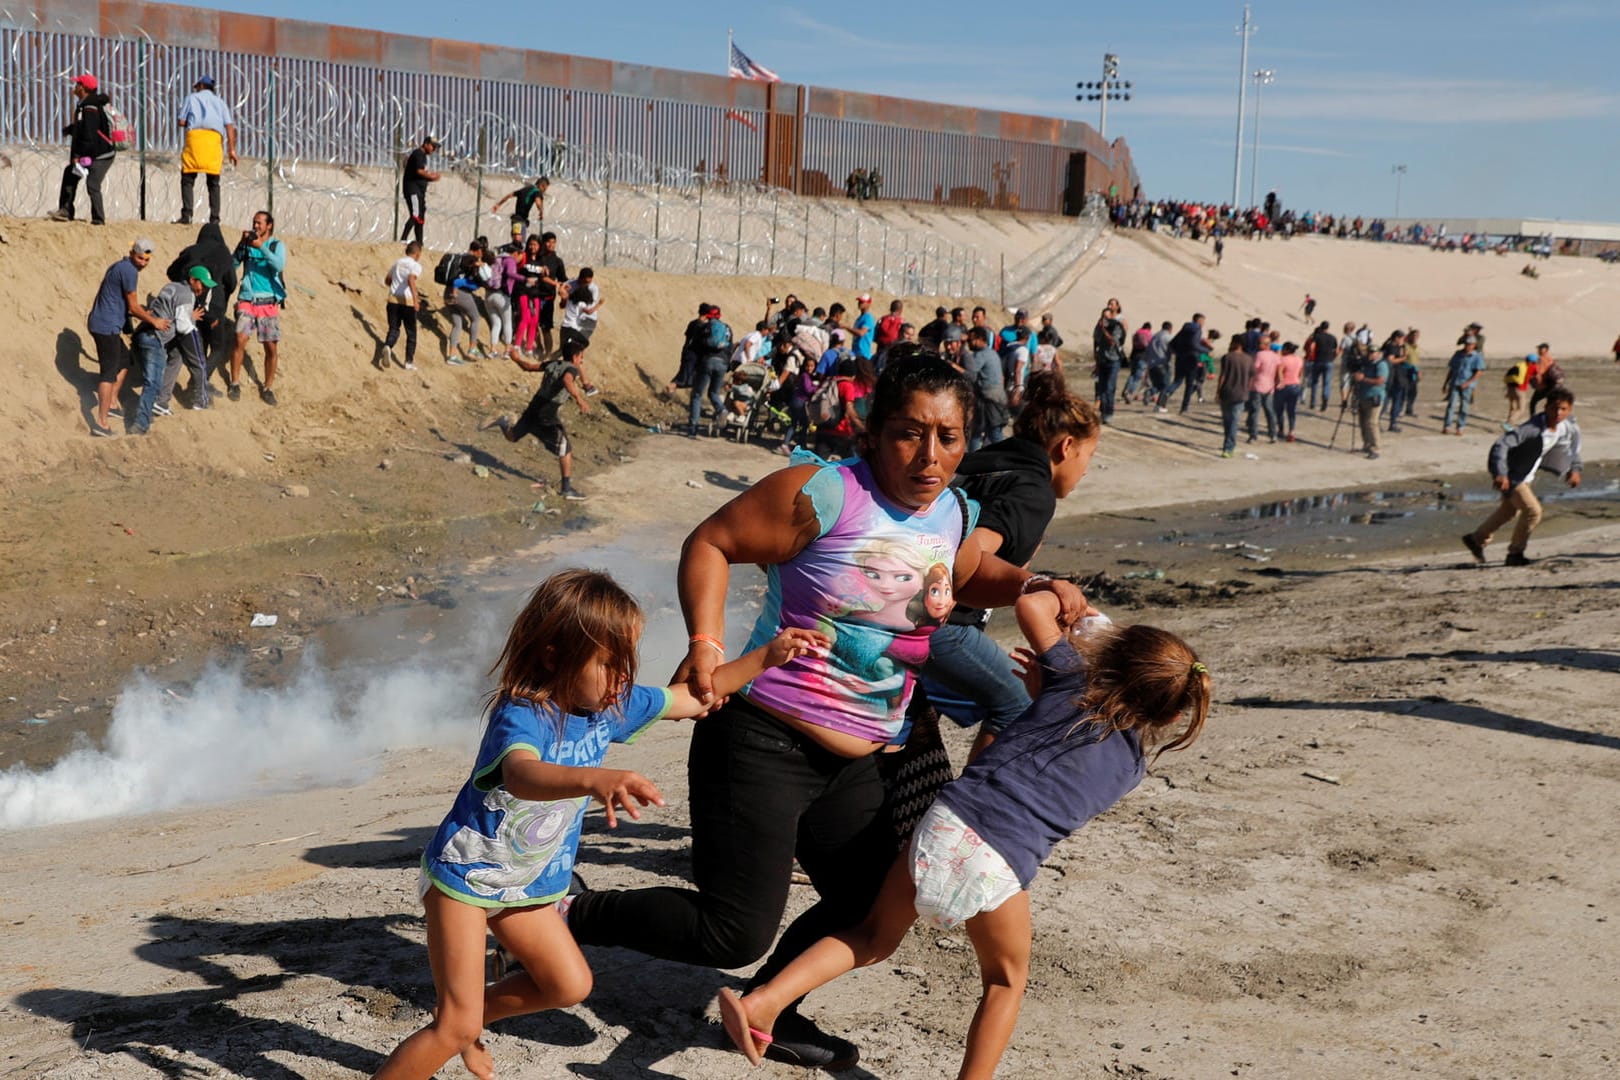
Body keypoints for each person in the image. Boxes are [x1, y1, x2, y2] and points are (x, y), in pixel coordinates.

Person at [564, 358, 1089, 1071]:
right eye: (909, 434)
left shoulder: (954, 510)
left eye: (949, 437)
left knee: (874, 905)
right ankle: (568, 913)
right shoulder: (825, 494)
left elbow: (964, 574)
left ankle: (770, 1008)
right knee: (730, 931)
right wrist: (706, 644)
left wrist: (1033, 580)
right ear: (874, 433)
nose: (929, 456)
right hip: (760, 738)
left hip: (863, 754)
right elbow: (712, 542)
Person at [718, 591, 1210, 1080]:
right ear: (1170, 716)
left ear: (1110, 657)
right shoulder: (1130, 767)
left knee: (872, 935)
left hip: (945, 822)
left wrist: (1085, 619)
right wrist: (1061, 687)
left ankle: (765, 1001)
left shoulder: (1070, 680)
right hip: (999, 860)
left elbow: (1033, 607)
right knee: (1004, 982)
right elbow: (1064, 760)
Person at [370, 568, 825, 1080]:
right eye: (609, 665)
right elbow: (522, 775)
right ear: (553, 656)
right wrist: (594, 780)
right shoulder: (523, 714)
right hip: (464, 882)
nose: (622, 680)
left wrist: (766, 656)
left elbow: (693, 697)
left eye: (626, 665)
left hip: (527, 885)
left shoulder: (611, 707)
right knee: (453, 1026)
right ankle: (457, 1027)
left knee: (568, 986)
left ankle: (471, 1018)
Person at [916, 370, 1101, 751]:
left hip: (896, 599)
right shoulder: (1034, 492)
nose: (1085, 471)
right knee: (1017, 705)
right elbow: (969, 551)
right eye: (1089, 457)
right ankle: (975, 808)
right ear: (1066, 447)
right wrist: (1038, 584)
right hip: (941, 621)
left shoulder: (987, 460)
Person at [1462, 388, 1581, 567]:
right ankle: (1515, 554)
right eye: (1554, 408)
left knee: (1509, 511)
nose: (1558, 413)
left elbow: (1571, 448)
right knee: (1533, 512)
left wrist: (1574, 469)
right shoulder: (1531, 429)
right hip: (1512, 476)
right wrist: (1500, 473)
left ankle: (1476, 539)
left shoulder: (1566, 427)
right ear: (1546, 407)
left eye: (1563, 409)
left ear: (1569, 410)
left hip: (1526, 476)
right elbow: (1501, 445)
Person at [86, 238, 169, 436]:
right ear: (132, 254)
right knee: (108, 373)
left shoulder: (120, 266)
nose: (143, 263)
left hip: (106, 324)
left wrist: (143, 312)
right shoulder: (129, 271)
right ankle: (101, 423)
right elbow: (132, 306)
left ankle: (112, 402)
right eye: (140, 258)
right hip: (105, 327)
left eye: (146, 260)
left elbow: (125, 304)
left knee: (124, 361)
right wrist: (154, 321)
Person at [496, 338, 593, 500]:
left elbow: (528, 367)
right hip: (547, 413)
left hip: (534, 406)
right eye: (581, 356)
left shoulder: (552, 364)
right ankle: (567, 489)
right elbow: (567, 380)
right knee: (565, 449)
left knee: (512, 437)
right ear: (576, 357)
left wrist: (517, 359)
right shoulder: (571, 369)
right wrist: (579, 399)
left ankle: (502, 422)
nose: (581, 360)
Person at [130, 265, 215, 433]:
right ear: (192, 280)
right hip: (155, 338)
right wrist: (195, 335)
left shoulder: (172, 287)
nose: (203, 289)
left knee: (176, 357)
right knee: (152, 384)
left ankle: (160, 403)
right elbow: (183, 326)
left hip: (143, 334)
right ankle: (141, 424)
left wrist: (189, 316)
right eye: (202, 285)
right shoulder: (187, 295)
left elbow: (169, 312)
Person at [165, 223, 238, 386]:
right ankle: (200, 381)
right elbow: (232, 282)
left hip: (190, 304)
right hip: (215, 306)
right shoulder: (223, 253)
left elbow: (171, 272)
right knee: (217, 348)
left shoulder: (191, 251)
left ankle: (198, 382)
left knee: (200, 346)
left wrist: (186, 285)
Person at [227, 210, 287, 405]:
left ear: (268, 225)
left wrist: (261, 247)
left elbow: (278, 265)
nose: (255, 226)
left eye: (259, 223)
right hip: (247, 300)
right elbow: (233, 265)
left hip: (268, 303)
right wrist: (241, 245)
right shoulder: (248, 245)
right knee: (240, 338)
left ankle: (268, 387)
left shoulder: (276, 245)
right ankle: (234, 382)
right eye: (254, 222)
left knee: (270, 346)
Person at [49, 74, 116, 226]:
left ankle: (99, 219)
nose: (75, 87)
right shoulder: (85, 105)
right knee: (70, 174)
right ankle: (66, 211)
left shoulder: (90, 108)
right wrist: (70, 129)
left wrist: (79, 156)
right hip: (93, 151)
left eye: (78, 84)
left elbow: (89, 134)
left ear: (83, 88)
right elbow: (83, 128)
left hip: (102, 154)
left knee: (92, 183)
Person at [175, 74, 237, 226]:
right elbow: (229, 126)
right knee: (213, 182)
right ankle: (215, 218)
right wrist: (231, 150)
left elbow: (181, 121)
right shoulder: (220, 103)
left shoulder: (191, 98)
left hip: (195, 138)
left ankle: (187, 215)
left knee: (188, 178)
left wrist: (190, 119)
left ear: (201, 86)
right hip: (213, 140)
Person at [689, 305, 732, 437]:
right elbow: (730, 348)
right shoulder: (727, 329)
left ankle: (693, 429)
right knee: (713, 392)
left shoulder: (705, 327)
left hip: (707, 362)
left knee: (697, 395)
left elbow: (696, 346)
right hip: (723, 364)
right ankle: (722, 410)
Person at [963, 326, 1009, 451]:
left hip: (989, 400)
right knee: (979, 432)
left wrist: (955, 367)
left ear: (980, 339)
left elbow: (971, 374)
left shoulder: (981, 355)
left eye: (971, 340)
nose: (969, 343)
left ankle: (1003, 460)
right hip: (995, 398)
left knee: (993, 433)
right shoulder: (992, 353)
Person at [444, 239, 487, 366]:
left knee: (457, 324)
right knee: (475, 318)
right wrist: (479, 265)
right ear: (478, 251)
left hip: (447, 292)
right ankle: (472, 349)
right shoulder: (470, 259)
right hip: (460, 292)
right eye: (481, 252)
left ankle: (452, 355)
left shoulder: (459, 256)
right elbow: (463, 278)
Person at [383, 241, 423, 370]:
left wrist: (395, 287)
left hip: (393, 300)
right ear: (417, 253)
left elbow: (387, 280)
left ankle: (388, 346)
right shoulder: (415, 265)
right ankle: (408, 362)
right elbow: (411, 279)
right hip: (407, 302)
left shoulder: (397, 262)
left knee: (394, 329)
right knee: (411, 332)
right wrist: (416, 300)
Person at [1216, 336, 1254, 458]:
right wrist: (1247, 388)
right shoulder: (1249, 359)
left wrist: (1218, 392)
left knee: (1228, 421)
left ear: (1236, 344)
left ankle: (1228, 446)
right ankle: (1229, 445)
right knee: (1233, 421)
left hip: (1227, 392)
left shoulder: (1227, 357)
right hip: (1241, 394)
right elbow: (1251, 376)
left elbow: (1223, 377)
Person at [400, 136, 441, 246]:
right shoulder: (418, 154)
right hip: (413, 190)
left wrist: (430, 177)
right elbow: (419, 171)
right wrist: (431, 176)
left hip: (419, 191)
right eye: (433, 146)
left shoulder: (423, 156)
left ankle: (420, 242)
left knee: (420, 217)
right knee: (416, 214)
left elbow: (421, 174)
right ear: (426, 144)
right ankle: (403, 239)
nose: (434, 149)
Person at [1351, 341, 1388, 460]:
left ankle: (1376, 448)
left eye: (1373, 352)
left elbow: (1380, 381)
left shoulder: (1381, 365)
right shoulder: (1366, 364)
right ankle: (1366, 445)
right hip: (1363, 396)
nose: (1371, 354)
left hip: (1375, 397)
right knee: (1363, 423)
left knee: (1372, 423)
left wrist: (1363, 379)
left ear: (1378, 354)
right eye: (1369, 352)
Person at [1442, 339, 1485, 435]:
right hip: (1455, 383)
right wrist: (1446, 383)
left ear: (1474, 345)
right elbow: (1452, 369)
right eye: (1466, 344)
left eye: (1470, 344)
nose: (1468, 346)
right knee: (1451, 405)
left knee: (1464, 407)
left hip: (1467, 386)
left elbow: (1479, 372)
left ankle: (1460, 427)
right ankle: (1447, 426)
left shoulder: (1477, 357)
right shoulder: (1458, 354)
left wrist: (1468, 383)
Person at [490, 176, 548, 246]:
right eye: (545, 189)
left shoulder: (526, 189)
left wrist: (498, 205)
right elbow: (538, 202)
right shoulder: (537, 192)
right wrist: (541, 212)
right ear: (542, 186)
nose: (544, 191)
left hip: (515, 220)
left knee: (516, 241)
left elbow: (510, 195)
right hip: (521, 221)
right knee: (519, 243)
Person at [1091, 305, 1125, 422]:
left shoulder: (1116, 326)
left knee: (1110, 387)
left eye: (1107, 317)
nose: (1105, 320)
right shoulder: (1099, 327)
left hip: (1113, 360)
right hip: (1102, 360)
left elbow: (1113, 342)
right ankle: (1103, 411)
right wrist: (1095, 354)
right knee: (1101, 387)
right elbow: (1095, 340)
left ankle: (1109, 412)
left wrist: (1104, 330)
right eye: (1103, 317)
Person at [559, 267, 601, 354]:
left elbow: (589, 308)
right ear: (580, 278)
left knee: (576, 346)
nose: (586, 285)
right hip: (574, 323)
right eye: (585, 282)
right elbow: (561, 291)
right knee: (573, 347)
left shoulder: (593, 288)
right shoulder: (572, 284)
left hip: (588, 320)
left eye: (589, 282)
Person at [1274, 341, 1304, 442]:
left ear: (1286, 350)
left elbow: (1279, 372)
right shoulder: (1299, 359)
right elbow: (1300, 372)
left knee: (1280, 409)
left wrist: (1280, 381)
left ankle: (1281, 430)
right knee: (1291, 410)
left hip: (1284, 386)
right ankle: (1291, 431)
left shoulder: (1283, 360)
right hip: (1295, 385)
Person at [1502, 352, 1537, 430]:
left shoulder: (1519, 365)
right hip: (1520, 389)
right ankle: (1508, 424)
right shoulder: (1531, 367)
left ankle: (1508, 426)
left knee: (1513, 408)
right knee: (1521, 409)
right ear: (1532, 362)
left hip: (1510, 388)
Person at [1527, 342, 1562, 415]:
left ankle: (1533, 419)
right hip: (1551, 385)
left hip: (1543, 386)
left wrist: (1536, 384)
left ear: (1546, 350)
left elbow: (1539, 372)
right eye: (1539, 349)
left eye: (1541, 349)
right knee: (1549, 403)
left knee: (1533, 403)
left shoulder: (1542, 359)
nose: (1539, 350)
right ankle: (1549, 418)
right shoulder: (1550, 358)